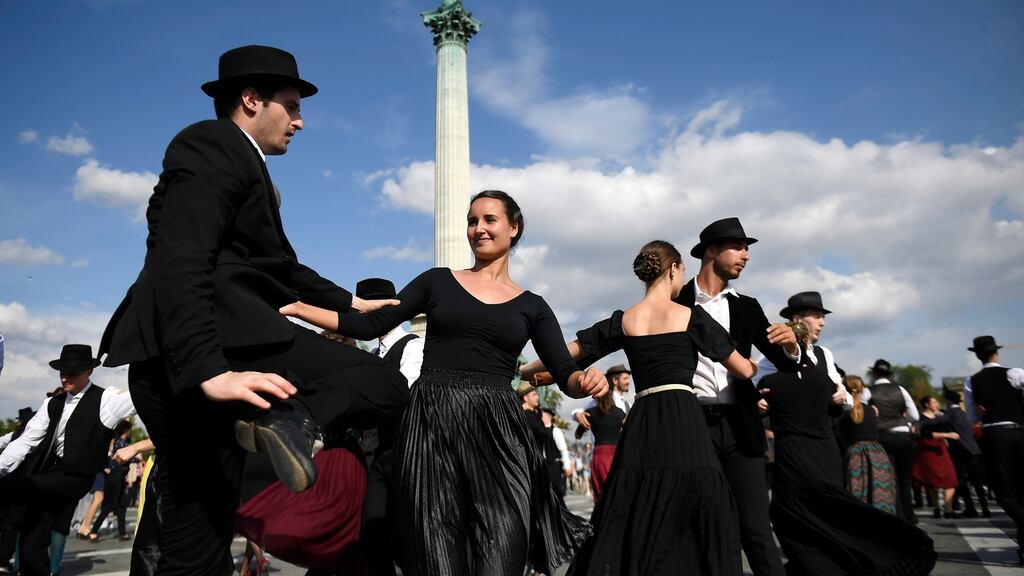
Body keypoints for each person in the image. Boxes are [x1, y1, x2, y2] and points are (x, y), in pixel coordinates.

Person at [96, 45, 409, 576]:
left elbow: (278, 265)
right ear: (250, 100)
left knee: (199, 536)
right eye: (290, 105)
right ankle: (294, 417)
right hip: (218, 349)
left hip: (191, 355)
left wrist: (350, 303)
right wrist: (209, 370)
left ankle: (285, 421)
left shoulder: (239, 163)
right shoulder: (213, 145)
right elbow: (182, 259)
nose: (300, 121)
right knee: (384, 384)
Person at [280, 190, 604, 575]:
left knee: (502, 545)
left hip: (498, 430)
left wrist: (583, 381)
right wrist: (298, 307)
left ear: (514, 228)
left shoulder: (532, 305)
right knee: (435, 549)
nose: (478, 229)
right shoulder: (437, 282)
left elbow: (564, 371)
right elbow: (370, 324)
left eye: (489, 219)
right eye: (471, 221)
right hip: (432, 423)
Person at [525, 240, 758, 575]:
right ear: (674, 269)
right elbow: (742, 369)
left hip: (644, 418)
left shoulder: (625, 320)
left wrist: (528, 371)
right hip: (684, 419)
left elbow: (563, 351)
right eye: (682, 273)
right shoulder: (691, 316)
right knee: (698, 496)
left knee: (633, 501)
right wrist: (757, 365)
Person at [669, 218, 801, 576]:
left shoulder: (748, 306)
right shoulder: (672, 301)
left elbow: (784, 364)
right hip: (690, 426)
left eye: (747, 249)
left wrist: (791, 347)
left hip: (741, 426)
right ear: (712, 250)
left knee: (756, 527)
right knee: (702, 526)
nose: (746, 255)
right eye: (739, 247)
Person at [758, 333, 936, 575]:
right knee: (834, 507)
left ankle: (817, 562)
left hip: (794, 451)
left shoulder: (771, 380)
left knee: (791, 512)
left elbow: (757, 407)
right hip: (824, 449)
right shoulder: (824, 381)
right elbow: (836, 412)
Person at [0, 344, 136, 576]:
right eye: (62, 372)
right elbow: (25, 441)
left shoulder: (107, 399)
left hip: (76, 476)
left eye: (72, 373)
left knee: (19, 488)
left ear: (89, 372)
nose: (65, 378)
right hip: (49, 473)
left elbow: (142, 396)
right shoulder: (51, 404)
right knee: (31, 540)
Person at [355, 278, 424, 576]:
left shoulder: (413, 346)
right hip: (375, 454)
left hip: (406, 452)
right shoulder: (371, 355)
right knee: (372, 538)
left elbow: (403, 391)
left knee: (406, 541)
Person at [963, 335, 1024, 564]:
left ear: (977, 355)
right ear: (997, 352)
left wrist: (982, 412)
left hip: (994, 434)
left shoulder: (972, 381)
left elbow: (971, 417)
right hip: (1019, 430)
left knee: (1004, 492)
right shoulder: (1015, 373)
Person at [867, 358, 920, 524]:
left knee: (891, 477)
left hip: (883, 436)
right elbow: (915, 416)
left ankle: (898, 514)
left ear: (875, 373)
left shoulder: (869, 391)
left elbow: (862, 413)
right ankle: (910, 514)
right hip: (903, 434)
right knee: (905, 479)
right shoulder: (901, 389)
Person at [836, 375, 897, 515]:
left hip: (855, 454)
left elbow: (839, 436)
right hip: (877, 453)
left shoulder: (842, 412)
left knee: (857, 492)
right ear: (862, 389)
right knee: (880, 494)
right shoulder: (871, 410)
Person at [942, 388, 989, 517]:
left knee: (962, 481)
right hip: (973, 450)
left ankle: (970, 508)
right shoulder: (964, 413)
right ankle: (985, 508)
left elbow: (938, 421)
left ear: (948, 400)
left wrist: (921, 423)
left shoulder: (951, 412)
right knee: (976, 481)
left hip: (960, 451)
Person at [912, 396, 961, 519]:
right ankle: (936, 508)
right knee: (931, 482)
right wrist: (947, 435)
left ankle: (948, 509)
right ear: (927, 405)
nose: (937, 404)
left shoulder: (942, 416)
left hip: (941, 449)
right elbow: (924, 433)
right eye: (934, 402)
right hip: (927, 450)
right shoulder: (920, 417)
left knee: (950, 479)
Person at [575, 388, 625, 503]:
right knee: (616, 490)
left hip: (599, 454)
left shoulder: (590, 413)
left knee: (600, 493)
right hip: (617, 454)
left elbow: (578, 435)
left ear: (596, 397)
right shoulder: (620, 413)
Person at [88, 420, 135, 541]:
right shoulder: (120, 442)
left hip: (120, 474)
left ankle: (122, 532)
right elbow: (119, 459)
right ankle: (93, 531)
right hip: (116, 474)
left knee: (120, 505)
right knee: (111, 504)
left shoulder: (122, 441)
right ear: (126, 430)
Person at [573, 364, 631, 430]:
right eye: (625, 378)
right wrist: (577, 415)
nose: (628, 382)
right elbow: (578, 412)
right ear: (615, 381)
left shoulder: (628, 405)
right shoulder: (603, 400)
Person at [541, 407, 572, 502]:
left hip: (554, 465)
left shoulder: (555, 431)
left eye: (542, 416)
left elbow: (563, 449)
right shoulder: (540, 431)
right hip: (544, 464)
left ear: (547, 417)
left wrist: (567, 466)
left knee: (556, 491)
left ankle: (563, 512)